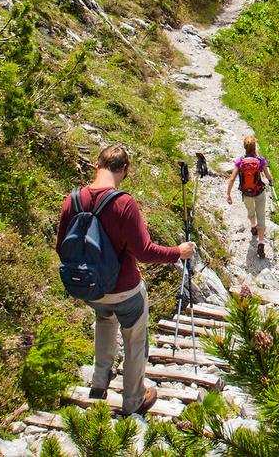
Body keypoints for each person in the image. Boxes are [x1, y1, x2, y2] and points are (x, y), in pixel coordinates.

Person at [56, 145, 195, 416]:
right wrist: (178, 252)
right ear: (124, 170)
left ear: (97, 165)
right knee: (134, 339)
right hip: (126, 290)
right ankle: (133, 400)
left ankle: (99, 383)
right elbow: (144, 252)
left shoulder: (72, 199)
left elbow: (62, 247)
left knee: (103, 321)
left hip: (90, 288)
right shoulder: (123, 203)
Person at [226, 134, 274, 259]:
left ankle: (253, 228)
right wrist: (270, 180)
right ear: (254, 147)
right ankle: (261, 242)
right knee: (261, 216)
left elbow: (232, 178)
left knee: (250, 212)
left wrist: (228, 194)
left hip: (247, 193)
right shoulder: (260, 159)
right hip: (259, 192)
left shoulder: (240, 161)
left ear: (244, 147)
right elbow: (268, 176)